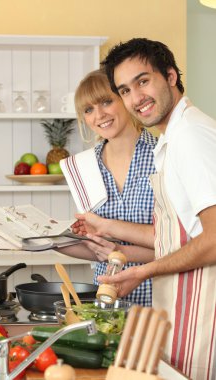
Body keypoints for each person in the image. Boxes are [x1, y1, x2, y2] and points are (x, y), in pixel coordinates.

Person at [73, 38, 216, 380]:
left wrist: (142, 272)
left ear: (169, 76)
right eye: (125, 89)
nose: (136, 98)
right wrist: (110, 239)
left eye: (143, 81)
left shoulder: (190, 137)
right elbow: (176, 236)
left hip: (200, 312)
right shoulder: (175, 137)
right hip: (183, 310)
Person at [58, 68, 157, 306]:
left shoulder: (164, 155)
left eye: (106, 101)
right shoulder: (80, 167)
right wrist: (47, 241)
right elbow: (98, 249)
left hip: (163, 300)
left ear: (125, 98)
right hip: (108, 302)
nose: (99, 115)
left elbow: (182, 245)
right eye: (88, 109)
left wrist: (119, 249)